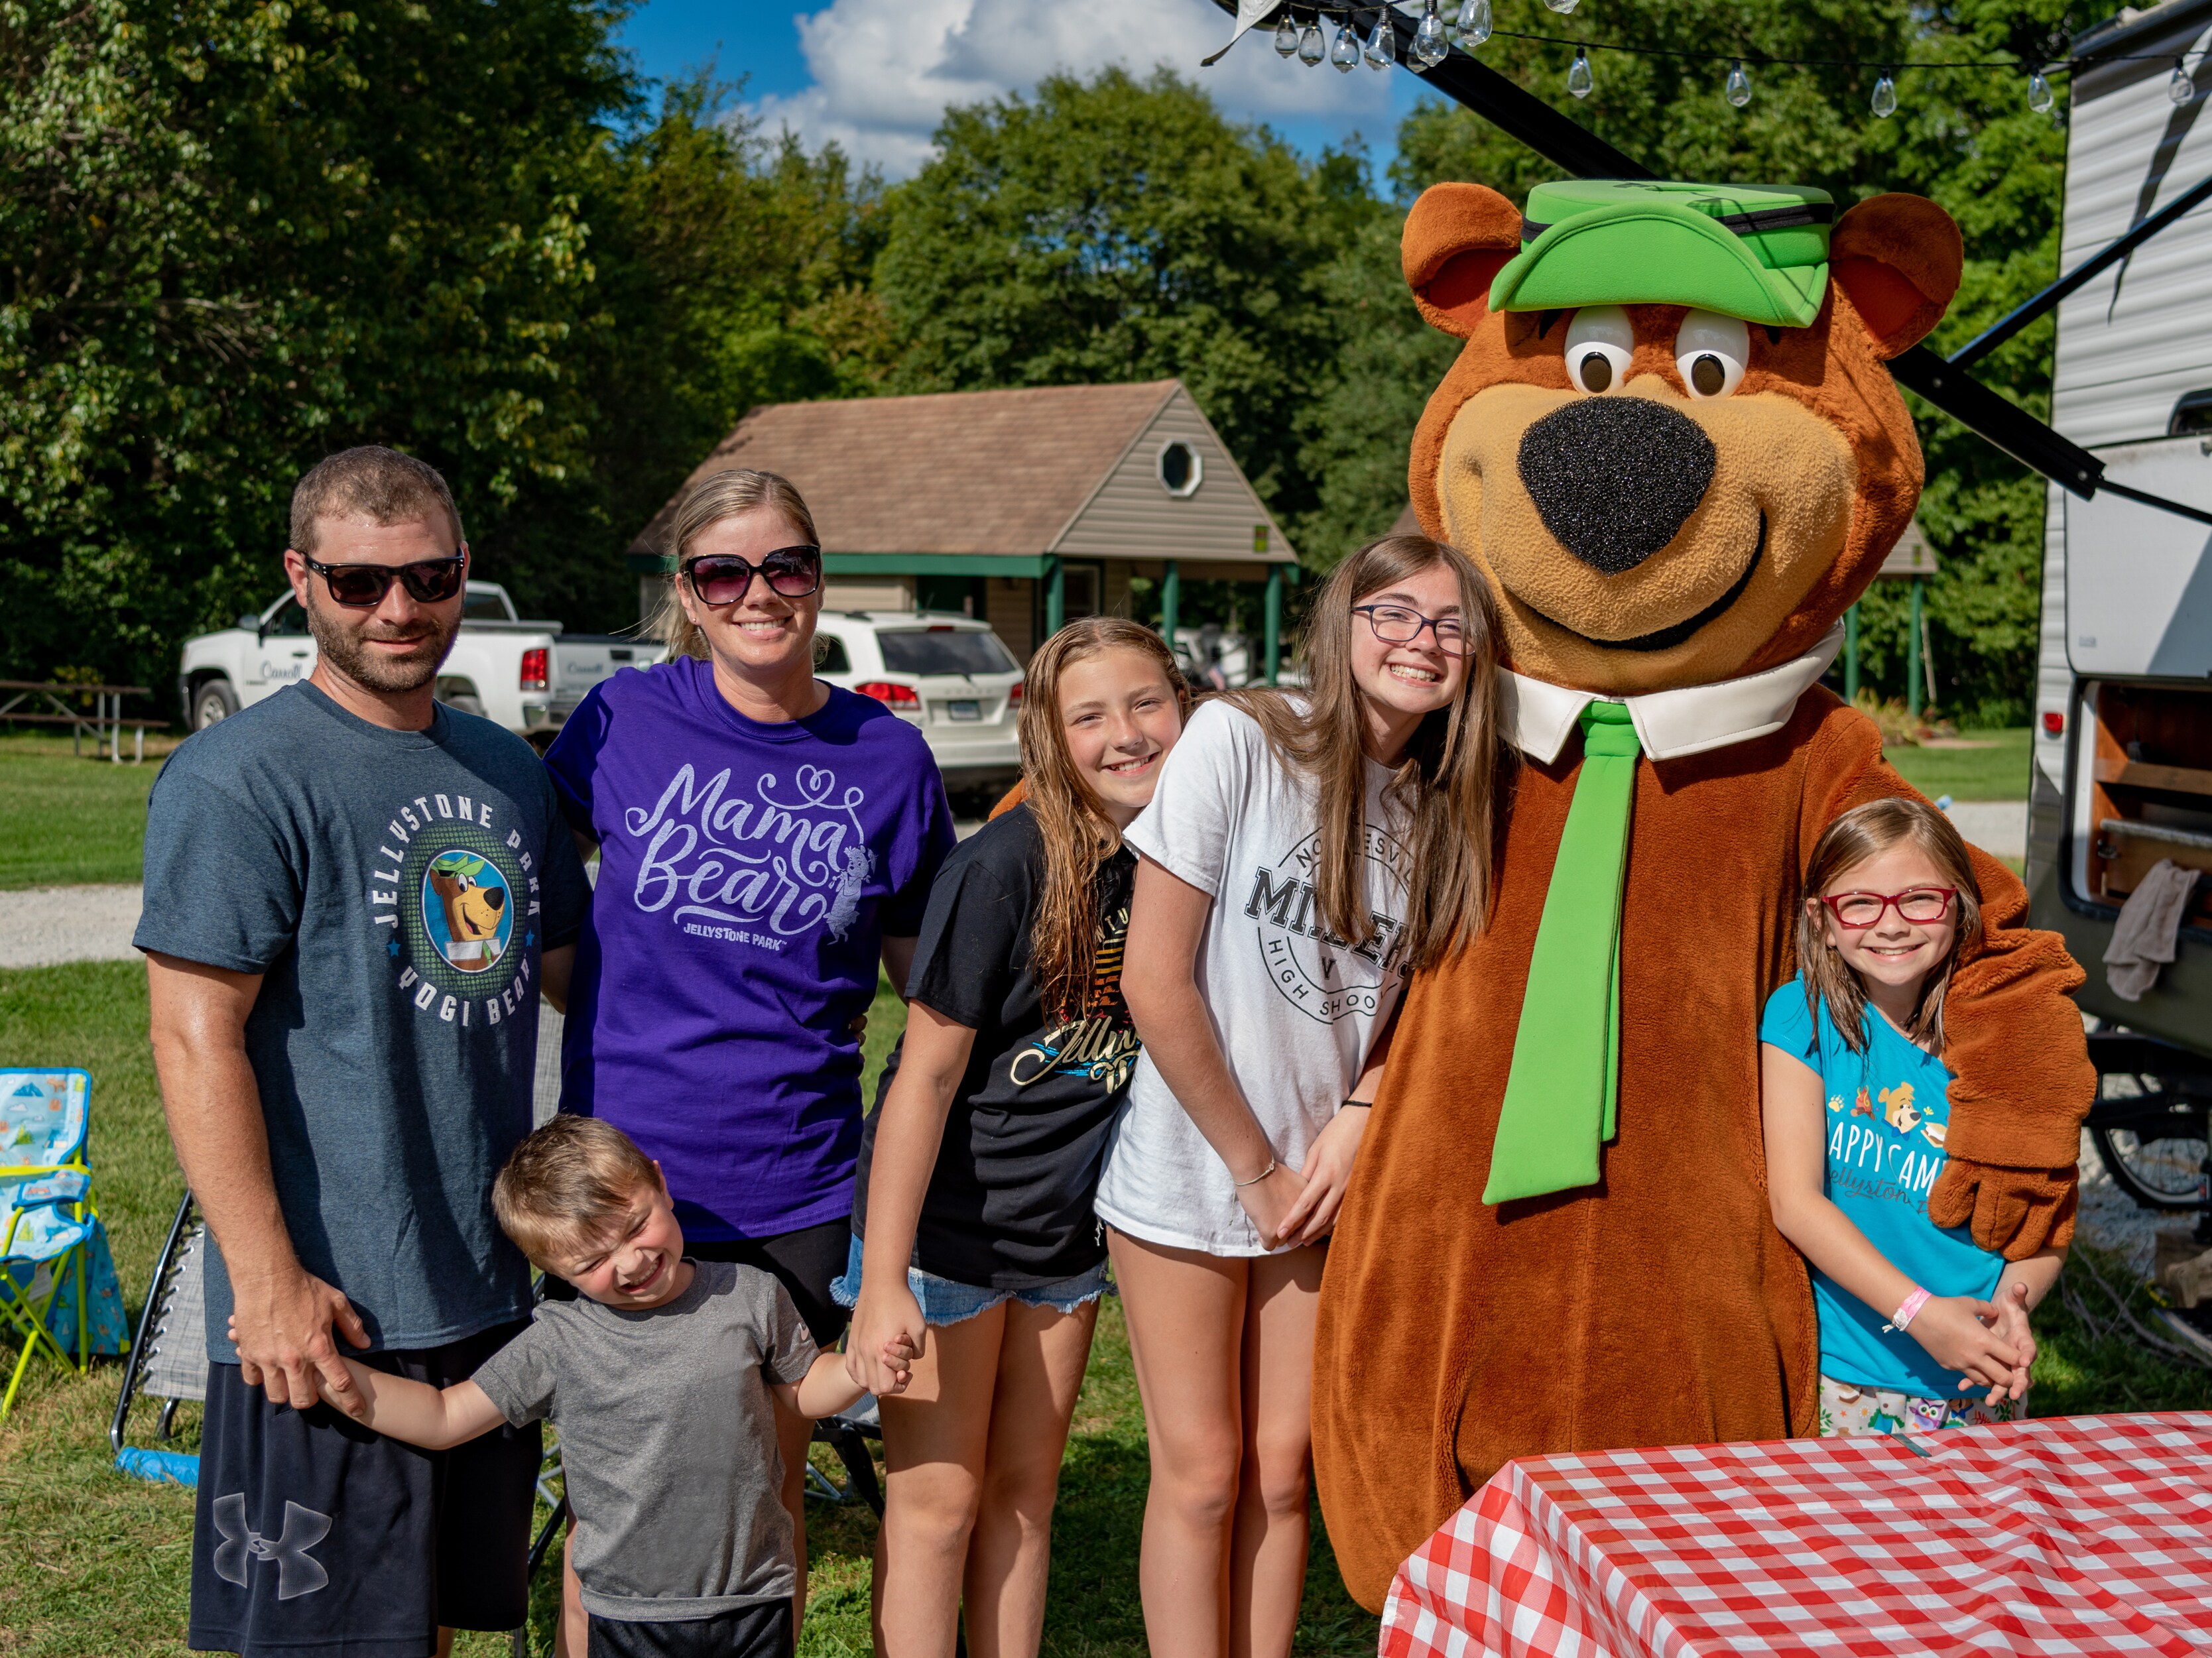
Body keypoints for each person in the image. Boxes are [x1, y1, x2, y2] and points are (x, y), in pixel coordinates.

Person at [138, 445, 591, 1658]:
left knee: (434, 1622)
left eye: (430, 576)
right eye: (357, 582)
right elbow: (192, 1038)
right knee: (326, 1637)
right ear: (301, 579)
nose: (399, 608)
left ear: (462, 574)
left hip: (488, 1281)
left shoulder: (505, 768)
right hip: (332, 1301)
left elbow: (573, 973)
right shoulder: (239, 777)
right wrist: (268, 1282)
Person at [540, 467, 955, 1641]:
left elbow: (923, 985)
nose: (758, 592)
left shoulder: (888, 757)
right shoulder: (621, 720)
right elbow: (529, 891)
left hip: (796, 1177)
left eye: (785, 565)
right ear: (688, 590)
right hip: (623, 1181)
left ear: (818, 579)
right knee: (612, 1492)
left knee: (763, 1481)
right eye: (725, 571)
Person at [1095, 536, 1506, 1658]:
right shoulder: (1243, 737)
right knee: (1203, 1475)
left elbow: (1421, 1005)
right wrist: (1254, 1167)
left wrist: (1359, 1118)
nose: (1421, 641)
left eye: (1450, 625)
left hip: (1324, 1184)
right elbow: (1153, 978)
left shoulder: (1446, 805)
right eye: (1395, 615)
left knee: (1284, 1473)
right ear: (1343, 623)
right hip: (1195, 1167)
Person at [839, 619, 1192, 1658]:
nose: (1126, 734)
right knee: (939, 1505)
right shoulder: (1004, 863)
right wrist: (887, 1277)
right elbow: (925, 1075)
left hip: (1063, 1241)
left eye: (1146, 703)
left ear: (1185, 708)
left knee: (1027, 1497)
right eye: (1090, 715)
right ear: (1046, 734)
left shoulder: (1180, 860)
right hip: (944, 1237)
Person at [283, 1115, 916, 1658]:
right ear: (552, 1268)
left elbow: (803, 1390)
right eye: (592, 1261)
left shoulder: (749, 1293)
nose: (632, 1262)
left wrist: (860, 1369)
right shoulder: (558, 1340)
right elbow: (445, 1416)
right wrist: (328, 1371)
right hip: (627, 1611)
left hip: (757, 1593)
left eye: (637, 1225)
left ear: (662, 1184)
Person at [1761, 797, 2066, 1436]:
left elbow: (2048, 1219)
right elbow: (1795, 1201)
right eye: (1861, 902)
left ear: (1957, 903)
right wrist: (1920, 1315)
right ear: (1821, 918)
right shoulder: (1800, 1017)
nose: (1891, 924)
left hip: (1981, 1370)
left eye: (1919, 898)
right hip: (1849, 1376)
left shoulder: (2014, 1034)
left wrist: (2013, 1310)